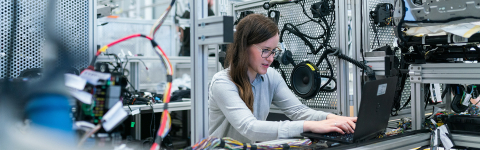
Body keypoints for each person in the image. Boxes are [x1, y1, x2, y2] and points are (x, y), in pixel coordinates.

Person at [208, 14, 357, 143]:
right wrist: (308, 126)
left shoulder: (271, 76)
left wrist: (334, 119)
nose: (271, 58)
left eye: (274, 51)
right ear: (244, 47)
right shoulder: (223, 83)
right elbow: (250, 128)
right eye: (265, 50)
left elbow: (299, 111)